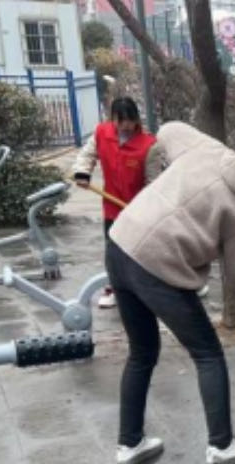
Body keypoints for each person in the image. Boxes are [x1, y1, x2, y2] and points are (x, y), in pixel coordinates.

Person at [105, 121, 235, 464]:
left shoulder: (208, 150)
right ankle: (221, 446)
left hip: (119, 245)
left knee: (142, 352)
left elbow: (169, 129)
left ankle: (129, 444)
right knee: (208, 354)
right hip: (159, 266)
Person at [72, 97, 156, 309]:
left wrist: (148, 204)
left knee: (139, 250)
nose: (126, 126)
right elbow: (87, 154)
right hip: (112, 207)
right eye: (121, 121)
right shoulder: (102, 133)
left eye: (130, 120)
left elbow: (153, 179)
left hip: (138, 208)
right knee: (114, 251)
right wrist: (83, 173)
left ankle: (145, 288)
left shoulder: (148, 144)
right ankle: (115, 289)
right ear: (113, 119)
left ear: (137, 119)